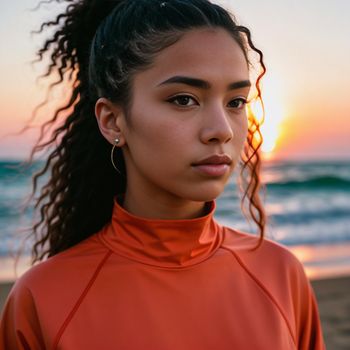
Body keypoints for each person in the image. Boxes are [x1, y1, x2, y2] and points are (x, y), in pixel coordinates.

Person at [0, 0, 325, 349]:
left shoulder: (281, 276)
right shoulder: (43, 298)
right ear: (112, 121)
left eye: (236, 102)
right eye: (184, 99)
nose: (222, 130)